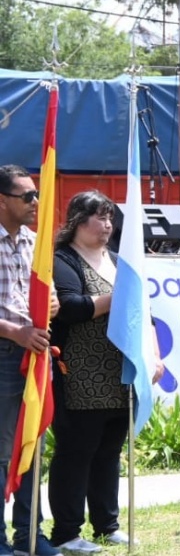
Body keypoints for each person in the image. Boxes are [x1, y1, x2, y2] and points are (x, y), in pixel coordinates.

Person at [48, 191, 164, 553]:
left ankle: (106, 525)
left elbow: (144, 313)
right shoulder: (62, 260)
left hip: (119, 372)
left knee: (108, 451)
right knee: (75, 452)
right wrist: (119, 297)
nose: (107, 225)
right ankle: (67, 532)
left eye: (110, 218)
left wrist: (155, 355)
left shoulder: (119, 262)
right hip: (80, 373)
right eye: (99, 217)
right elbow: (70, 307)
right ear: (78, 222)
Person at [0, 165, 61, 556]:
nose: (36, 202)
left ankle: (29, 535)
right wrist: (13, 331)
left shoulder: (35, 243)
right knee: (2, 450)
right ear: (2, 200)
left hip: (36, 357)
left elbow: (47, 296)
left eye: (36, 194)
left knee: (32, 447)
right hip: (6, 354)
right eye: (27, 196)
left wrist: (51, 305)